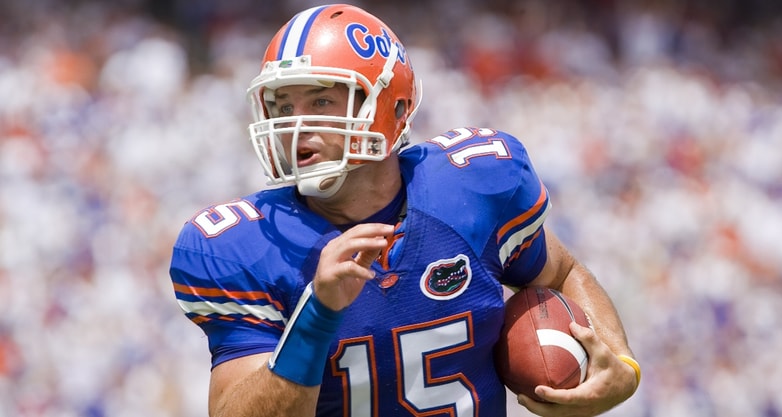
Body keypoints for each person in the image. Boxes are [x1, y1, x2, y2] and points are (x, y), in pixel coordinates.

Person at [169, 4, 640, 416]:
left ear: (389, 106)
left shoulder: (470, 189)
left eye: (319, 101)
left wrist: (620, 366)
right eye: (281, 105)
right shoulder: (245, 246)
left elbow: (560, 274)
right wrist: (316, 314)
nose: (295, 124)